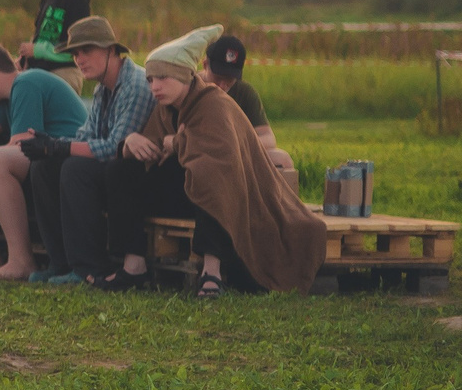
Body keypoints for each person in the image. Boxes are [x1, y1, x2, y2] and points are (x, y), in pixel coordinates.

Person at [101, 25, 329, 297]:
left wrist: (179, 143)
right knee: (121, 170)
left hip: (229, 195)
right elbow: (153, 149)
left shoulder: (214, 102)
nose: (155, 86)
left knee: (208, 171)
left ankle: (212, 271)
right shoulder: (165, 109)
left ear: (185, 76)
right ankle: (133, 264)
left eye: (162, 78)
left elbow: (224, 157)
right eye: (150, 80)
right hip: (183, 193)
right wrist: (130, 143)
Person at [18, 16, 154, 287]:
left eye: (87, 51)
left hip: (136, 176)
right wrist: (50, 144)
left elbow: (116, 147)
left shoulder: (135, 85)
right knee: (44, 166)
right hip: (111, 170)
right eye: (75, 53)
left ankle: (88, 267)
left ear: (111, 50)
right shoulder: (104, 88)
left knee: (74, 168)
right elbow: (86, 136)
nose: (79, 59)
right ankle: (60, 262)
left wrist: (60, 147)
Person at [0, 43, 87, 281]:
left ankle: (21, 260)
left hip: (69, 156)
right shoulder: (6, 98)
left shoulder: (26, 83)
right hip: (47, 160)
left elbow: (23, 143)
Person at [204, 34, 297, 178]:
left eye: (229, 80)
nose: (222, 85)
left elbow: (267, 137)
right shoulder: (191, 89)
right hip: (202, 152)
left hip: (237, 151)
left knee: (282, 159)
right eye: (218, 78)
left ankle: (278, 200)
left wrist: (236, 146)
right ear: (205, 66)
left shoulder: (244, 92)